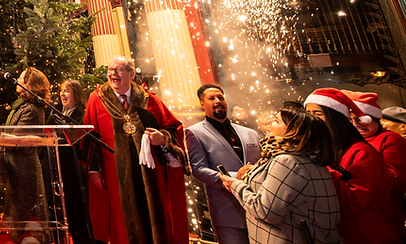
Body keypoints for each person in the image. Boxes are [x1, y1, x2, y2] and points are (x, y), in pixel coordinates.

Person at [84, 55, 190, 244]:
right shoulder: (97, 99)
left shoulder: (149, 99)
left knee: (154, 218)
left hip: (150, 172)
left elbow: (173, 127)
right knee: (123, 224)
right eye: (110, 70)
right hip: (115, 174)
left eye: (118, 70)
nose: (112, 74)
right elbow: (91, 137)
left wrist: (163, 138)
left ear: (131, 74)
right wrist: (93, 170)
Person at [220, 105, 340, 244]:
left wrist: (235, 185)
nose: (270, 122)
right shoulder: (306, 157)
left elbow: (266, 211)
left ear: (294, 133)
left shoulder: (289, 161)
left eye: (277, 121)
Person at [304, 88, 402, 244]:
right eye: (308, 113)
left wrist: (321, 170)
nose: (310, 119)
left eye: (317, 114)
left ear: (335, 118)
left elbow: (354, 204)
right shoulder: (332, 148)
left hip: (368, 235)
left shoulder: (362, 151)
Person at [185, 83, 261, 244]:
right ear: (202, 103)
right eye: (211, 98)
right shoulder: (195, 132)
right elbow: (199, 170)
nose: (218, 101)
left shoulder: (250, 133)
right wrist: (235, 177)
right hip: (228, 213)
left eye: (220, 97)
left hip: (259, 208)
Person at [3, 67, 51, 238]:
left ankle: (32, 238)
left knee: (28, 210)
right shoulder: (22, 106)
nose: (17, 80)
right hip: (17, 166)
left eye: (22, 78)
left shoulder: (31, 109)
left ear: (31, 84)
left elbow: (18, 138)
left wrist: (0, 137)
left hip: (25, 167)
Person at [50, 79, 92, 244]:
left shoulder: (81, 115)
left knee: (76, 212)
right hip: (58, 168)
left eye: (66, 91)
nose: (62, 94)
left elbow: (80, 139)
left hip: (74, 171)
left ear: (77, 94)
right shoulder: (58, 114)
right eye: (61, 91)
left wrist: (65, 127)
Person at [343, 91, 406, 196]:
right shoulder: (350, 140)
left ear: (375, 119)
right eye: (350, 120)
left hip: (380, 206)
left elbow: (397, 185)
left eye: (361, 120)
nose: (355, 125)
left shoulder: (390, 139)